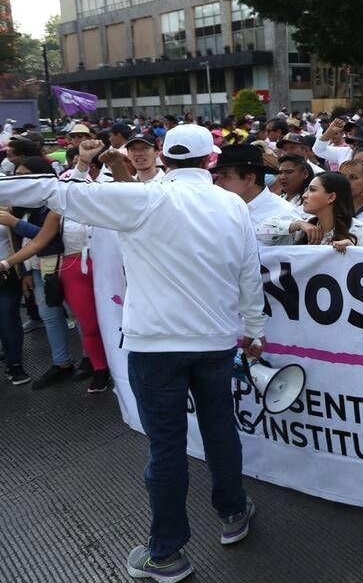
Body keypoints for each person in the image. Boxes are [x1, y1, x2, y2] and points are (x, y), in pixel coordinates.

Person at [0, 125, 266, 582]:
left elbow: (52, 191)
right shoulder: (232, 206)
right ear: (210, 160)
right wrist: (254, 330)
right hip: (217, 342)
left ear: (163, 154)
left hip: (156, 344)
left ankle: (166, 553)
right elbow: (249, 275)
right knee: (220, 429)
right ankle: (233, 512)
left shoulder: (144, 198)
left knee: (167, 446)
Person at [2, 156, 77, 389]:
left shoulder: (55, 200)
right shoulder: (21, 205)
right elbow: (20, 242)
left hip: (61, 267)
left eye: (26, 176)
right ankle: (61, 363)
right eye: (18, 177)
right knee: (50, 318)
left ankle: (95, 363)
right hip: (36, 269)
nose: (21, 181)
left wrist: (14, 222)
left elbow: (49, 238)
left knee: (79, 317)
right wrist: (23, 271)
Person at [257, 172, 363, 251]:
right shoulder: (303, 228)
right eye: (306, 190)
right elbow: (259, 233)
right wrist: (298, 224)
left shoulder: (359, 230)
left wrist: (354, 253)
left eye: (312, 190)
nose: (305, 195)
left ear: (331, 197)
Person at [211, 145, 297, 226]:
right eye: (217, 177)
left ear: (250, 179)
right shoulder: (220, 208)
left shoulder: (284, 214)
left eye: (225, 176)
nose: (218, 183)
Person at [0, 205, 29, 385]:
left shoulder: (5, 207)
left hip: (6, 272)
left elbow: (21, 243)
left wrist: (24, 272)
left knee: (8, 318)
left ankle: (14, 364)